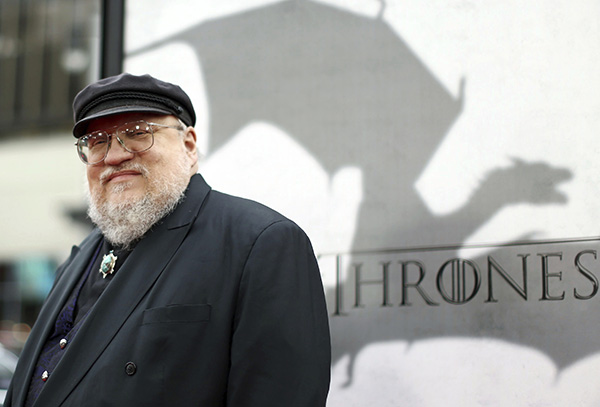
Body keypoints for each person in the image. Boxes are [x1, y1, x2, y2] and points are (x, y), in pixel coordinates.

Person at [4, 73, 331, 407]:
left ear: (188, 146)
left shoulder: (260, 243)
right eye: (98, 141)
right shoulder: (80, 256)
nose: (114, 156)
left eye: (137, 133)